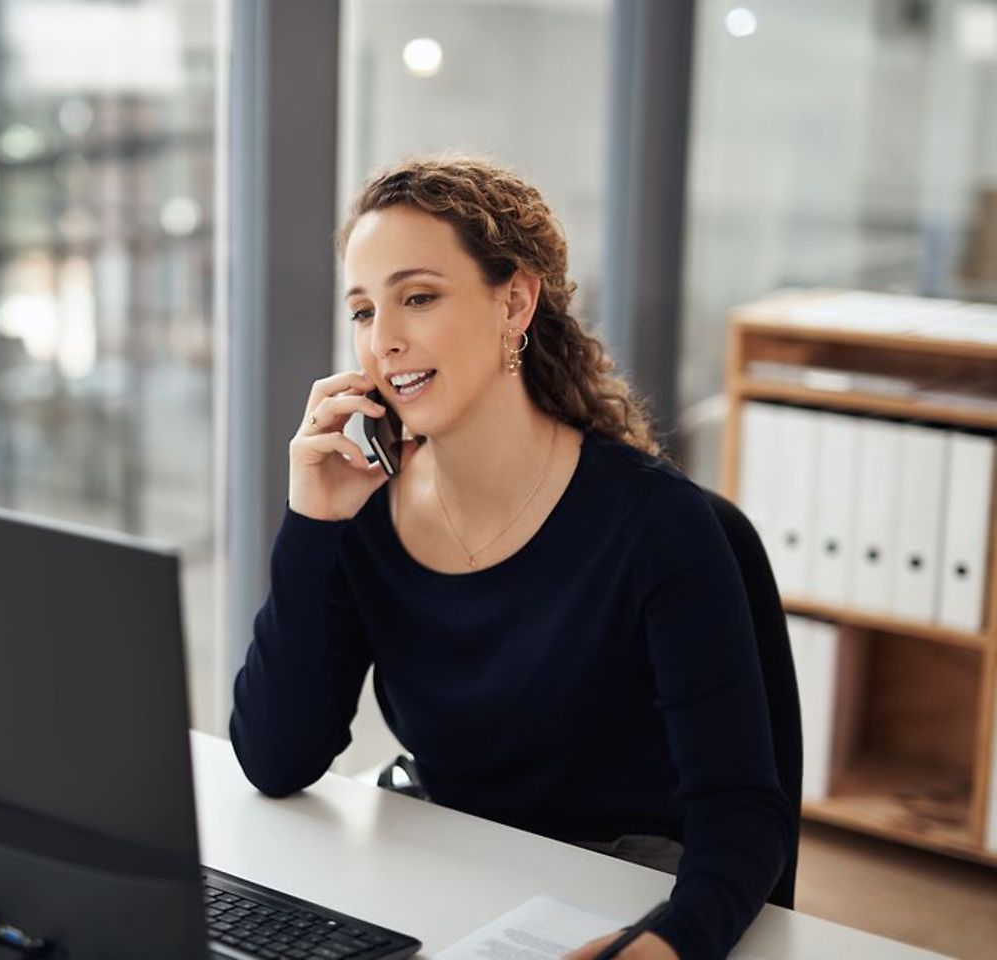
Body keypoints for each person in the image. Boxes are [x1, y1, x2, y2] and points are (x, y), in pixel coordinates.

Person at [229, 156, 795, 960]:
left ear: (515, 301)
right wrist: (312, 522)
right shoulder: (364, 510)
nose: (383, 341)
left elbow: (742, 810)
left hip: (626, 887)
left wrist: (662, 948)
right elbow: (275, 758)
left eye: (418, 297)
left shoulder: (657, 526)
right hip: (450, 872)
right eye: (362, 310)